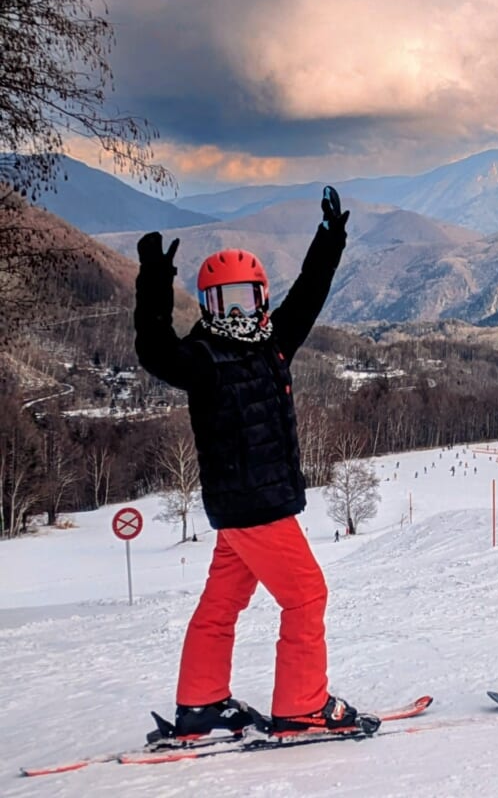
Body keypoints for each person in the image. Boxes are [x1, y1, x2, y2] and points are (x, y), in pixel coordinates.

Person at [133, 187, 365, 738]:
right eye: (222, 301)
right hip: (253, 506)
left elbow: (309, 295)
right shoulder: (200, 359)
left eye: (244, 297)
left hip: (240, 509)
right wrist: (154, 282)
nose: (235, 310)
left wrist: (330, 240)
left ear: (261, 296)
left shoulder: (273, 342)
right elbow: (152, 347)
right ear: (207, 305)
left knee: (223, 601)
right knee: (307, 595)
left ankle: (202, 703)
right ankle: (303, 706)